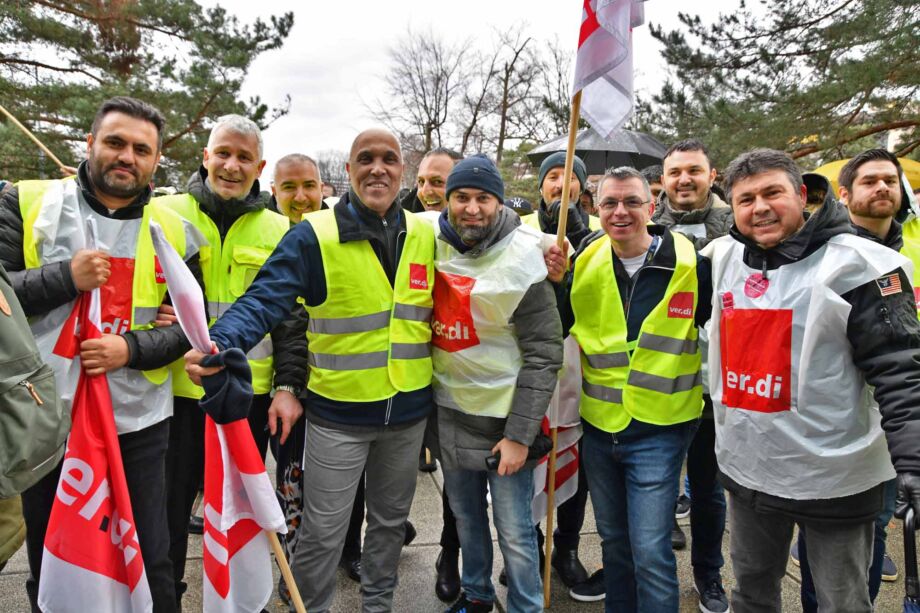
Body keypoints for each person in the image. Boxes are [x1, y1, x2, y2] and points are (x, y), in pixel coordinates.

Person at [185, 128, 435, 613]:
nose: (378, 168)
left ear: (402, 169)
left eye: (389, 159)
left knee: (388, 525)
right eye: (366, 159)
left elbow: (488, 243)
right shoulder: (313, 236)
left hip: (407, 415)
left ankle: (378, 606)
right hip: (339, 417)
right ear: (347, 171)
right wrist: (220, 342)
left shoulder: (427, 231)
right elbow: (263, 298)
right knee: (323, 530)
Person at [0, 96, 205, 612]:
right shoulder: (25, 203)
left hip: (139, 420)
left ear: (156, 160)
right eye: (115, 142)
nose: (126, 157)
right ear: (90, 143)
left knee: (151, 554)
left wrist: (131, 348)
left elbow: (190, 327)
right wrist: (64, 278)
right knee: (55, 555)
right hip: (46, 417)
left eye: (141, 149)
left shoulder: (175, 228)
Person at [704, 148, 920, 613]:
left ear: (803, 195)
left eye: (772, 193)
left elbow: (901, 370)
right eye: (745, 199)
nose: (759, 207)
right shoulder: (719, 258)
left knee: (842, 603)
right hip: (750, 472)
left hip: (835, 481)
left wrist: (913, 463)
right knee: (750, 594)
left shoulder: (862, 265)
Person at [156, 114, 304, 606]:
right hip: (174, 394)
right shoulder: (162, 213)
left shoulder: (279, 227)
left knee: (240, 510)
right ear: (205, 155)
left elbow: (290, 320)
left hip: (248, 396)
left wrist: (287, 387)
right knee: (168, 512)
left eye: (244, 157)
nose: (231, 165)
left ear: (259, 166)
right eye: (223, 152)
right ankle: (167, 596)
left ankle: (242, 599)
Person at [547, 166, 710, 612]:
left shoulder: (692, 262)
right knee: (615, 544)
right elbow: (561, 328)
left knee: (651, 549)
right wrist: (556, 286)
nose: (620, 212)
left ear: (651, 206)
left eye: (631, 202)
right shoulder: (584, 260)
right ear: (595, 210)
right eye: (610, 203)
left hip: (661, 427)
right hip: (600, 427)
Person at [431, 155, 563, 613]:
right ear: (446, 200)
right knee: (467, 520)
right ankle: (478, 596)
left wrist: (519, 436)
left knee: (516, 533)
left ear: (499, 202)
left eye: (483, 198)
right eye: (462, 197)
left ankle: (527, 606)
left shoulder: (527, 254)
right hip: (451, 414)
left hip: (507, 423)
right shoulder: (428, 242)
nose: (472, 208)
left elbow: (545, 352)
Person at [792, 149, 915, 611]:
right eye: (869, 181)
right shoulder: (824, 255)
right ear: (845, 195)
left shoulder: (913, 247)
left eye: (890, 180)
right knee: (828, 546)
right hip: (842, 427)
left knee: (877, 528)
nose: (882, 188)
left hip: (898, 416)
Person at [653, 139, 731, 612]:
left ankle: (709, 575)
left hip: (716, 387)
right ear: (663, 181)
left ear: (711, 174)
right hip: (659, 383)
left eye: (693, 171)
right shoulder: (645, 226)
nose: (684, 179)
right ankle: (655, 572)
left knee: (709, 491)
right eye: (675, 172)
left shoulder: (737, 227)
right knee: (656, 489)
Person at [519, 150, 594, 592]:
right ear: (541, 185)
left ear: (582, 189)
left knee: (572, 460)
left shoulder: (598, 235)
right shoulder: (522, 230)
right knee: (530, 460)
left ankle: (566, 548)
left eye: (571, 178)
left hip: (577, 364)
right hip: (530, 363)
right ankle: (528, 547)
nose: (562, 184)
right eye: (553, 177)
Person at [271, 153, 326, 223]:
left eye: (309, 186)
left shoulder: (338, 226)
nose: (300, 198)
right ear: (275, 192)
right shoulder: (255, 227)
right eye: (289, 187)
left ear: (321, 189)